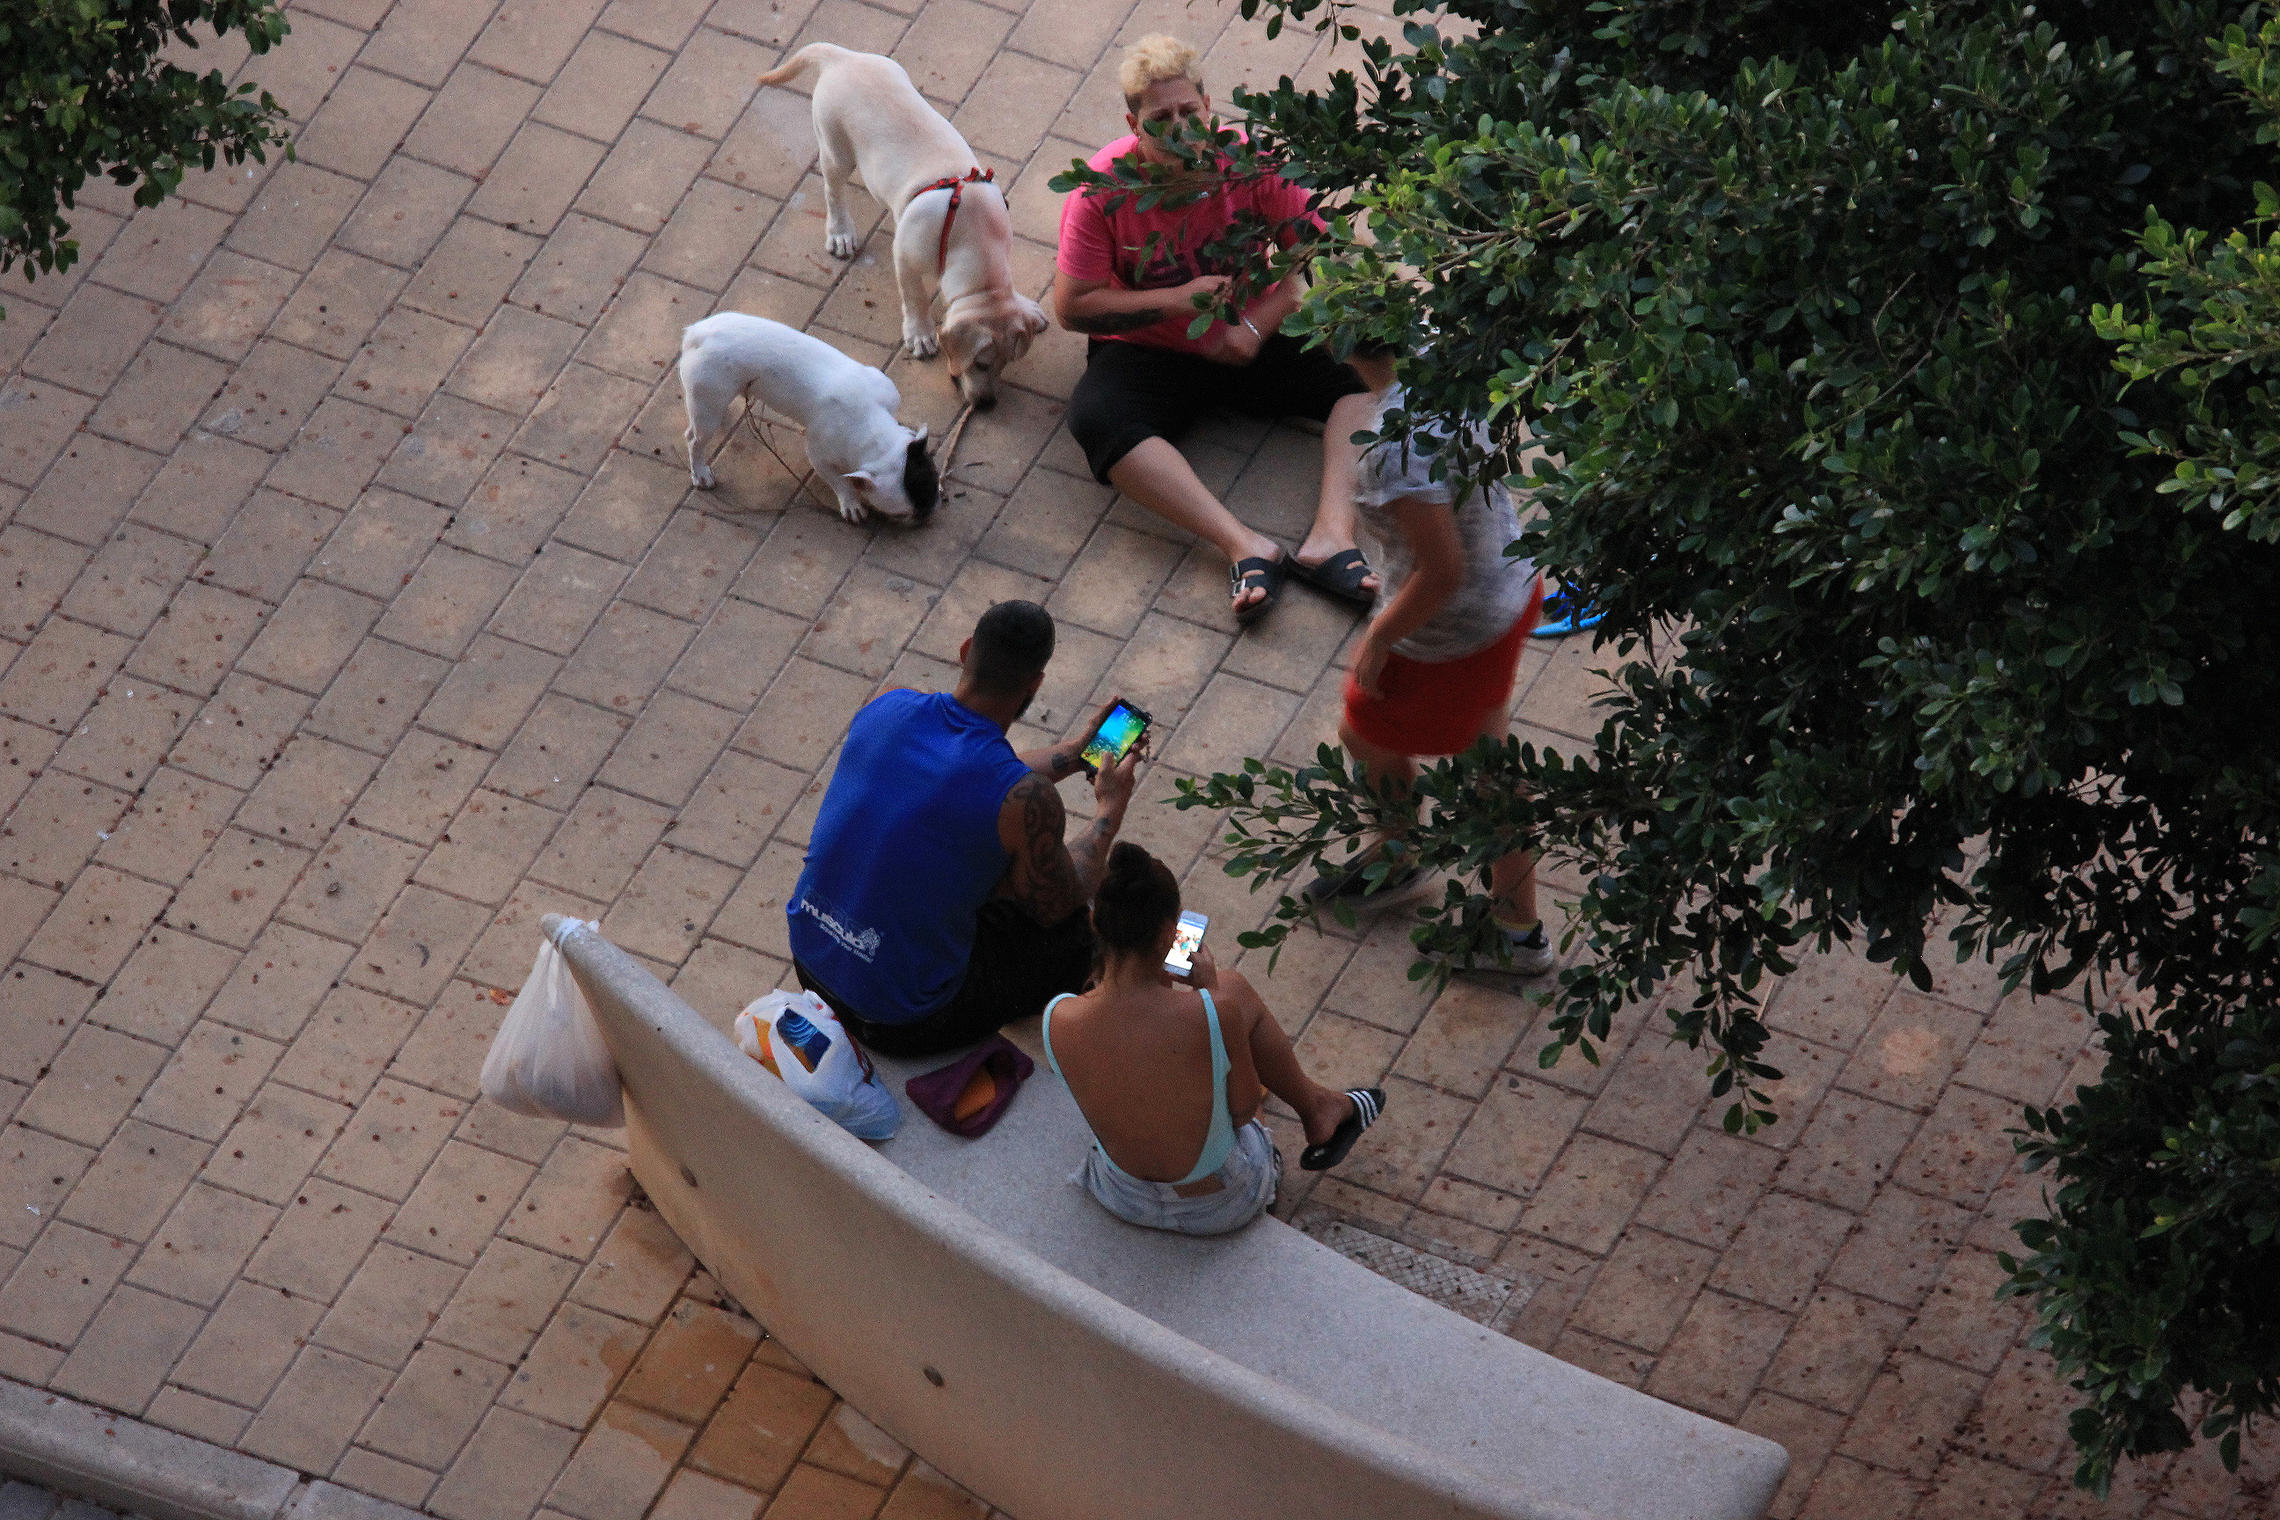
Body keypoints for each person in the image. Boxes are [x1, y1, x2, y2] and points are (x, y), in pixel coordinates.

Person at [1054, 35, 1381, 627]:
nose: (1181, 128)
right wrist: (1177, 301)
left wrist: (1256, 326)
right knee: (1097, 420)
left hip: (1252, 334)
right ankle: (1243, 546)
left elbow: (1316, 252)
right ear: (1134, 125)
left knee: (1369, 370)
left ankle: (1332, 537)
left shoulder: (1252, 163)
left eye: (1189, 111)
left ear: (1209, 107)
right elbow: (1072, 308)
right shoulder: (1100, 191)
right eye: (1161, 118)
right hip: (1151, 350)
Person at [787, 600, 1142, 1057]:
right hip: (896, 1021)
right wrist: (1109, 810)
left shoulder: (887, 704)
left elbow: (968, 778)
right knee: (1073, 930)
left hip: (810, 960)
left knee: (978, 854)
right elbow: (1062, 901)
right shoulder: (1026, 798)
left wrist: (1074, 756)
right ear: (1035, 683)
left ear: (966, 649)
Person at [1303, 341, 1555, 976]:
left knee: (1365, 735)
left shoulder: (1395, 452)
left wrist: (1379, 639)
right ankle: (1500, 918)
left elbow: (1442, 572)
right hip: (1508, 586)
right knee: (1489, 759)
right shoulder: (1443, 355)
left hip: (1454, 631)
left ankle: (1427, 875)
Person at [1042, 843, 1386, 1235]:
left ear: (1095, 922)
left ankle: (1320, 1106)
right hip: (1218, 1206)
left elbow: (1131, 1047)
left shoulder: (1058, 1017)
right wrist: (1209, 995)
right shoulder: (1213, 1012)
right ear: (1170, 933)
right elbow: (1242, 1111)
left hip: (1124, 1196)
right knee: (1232, 990)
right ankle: (1319, 1109)